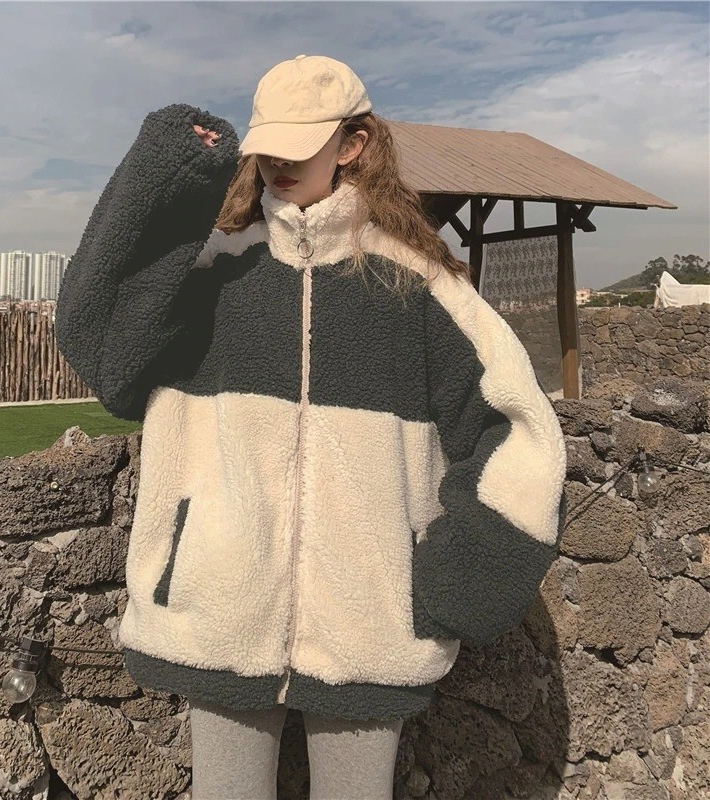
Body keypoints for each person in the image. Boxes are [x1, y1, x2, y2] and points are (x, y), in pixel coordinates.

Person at [55, 55, 568, 800]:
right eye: (269, 145)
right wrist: (167, 171)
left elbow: (520, 431)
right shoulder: (211, 271)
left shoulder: (421, 287)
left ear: (354, 144)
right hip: (216, 612)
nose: (279, 162)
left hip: (372, 629)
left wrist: (447, 584)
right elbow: (99, 341)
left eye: (301, 144)